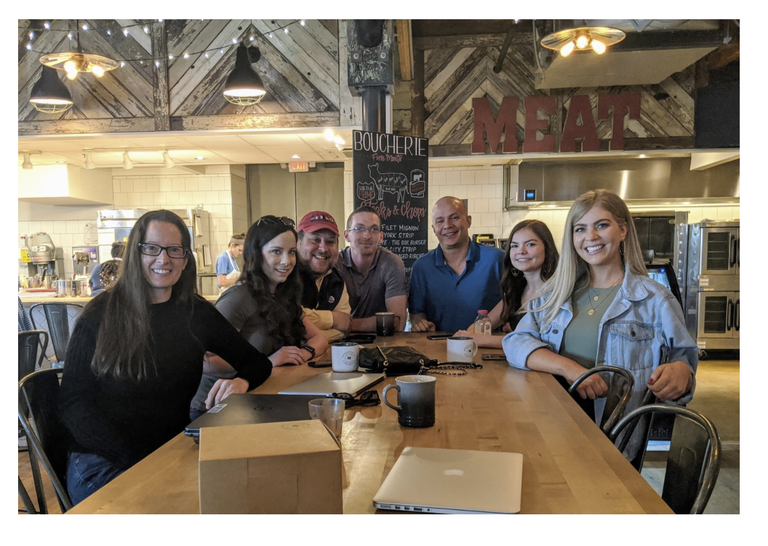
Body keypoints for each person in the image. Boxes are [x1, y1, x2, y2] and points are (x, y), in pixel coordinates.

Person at [58, 210, 273, 505]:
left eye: (175, 250)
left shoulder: (196, 313)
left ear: (186, 259)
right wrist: (139, 458)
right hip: (101, 461)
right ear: (136, 253)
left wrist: (242, 382)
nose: (164, 259)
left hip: (170, 450)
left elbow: (257, 363)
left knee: (242, 496)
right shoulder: (100, 314)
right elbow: (73, 405)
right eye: (152, 248)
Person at [503, 189, 697, 458]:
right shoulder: (557, 294)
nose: (590, 237)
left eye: (601, 225)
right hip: (548, 432)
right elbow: (515, 342)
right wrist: (570, 369)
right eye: (580, 229)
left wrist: (681, 374)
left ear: (623, 230)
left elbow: (684, 363)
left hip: (614, 446)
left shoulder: (655, 300)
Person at [189, 215, 330, 420]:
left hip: (257, 397)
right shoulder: (238, 297)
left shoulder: (283, 294)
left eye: (291, 252)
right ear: (256, 254)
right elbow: (208, 360)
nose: (286, 261)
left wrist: (304, 353)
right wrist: (268, 362)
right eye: (276, 251)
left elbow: (320, 339)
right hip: (215, 407)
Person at [455, 220, 559, 348]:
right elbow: (484, 324)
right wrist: (464, 335)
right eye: (514, 246)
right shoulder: (516, 289)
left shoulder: (556, 291)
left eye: (530, 244)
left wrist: (479, 339)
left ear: (547, 249)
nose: (521, 251)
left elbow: (538, 343)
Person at [409, 196, 504, 333]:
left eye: (454, 218)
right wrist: (422, 325)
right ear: (433, 228)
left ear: (468, 221)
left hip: (488, 348)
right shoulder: (421, 267)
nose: (447, 225)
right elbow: (417, 314)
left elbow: (512, 301)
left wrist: (477, 330)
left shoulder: (496, 259)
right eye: (440, 221)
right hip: (438, 348)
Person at [335, 206, 408, 332]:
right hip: (341, 340)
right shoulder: (335, 263)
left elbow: (397, 322)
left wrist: (345, 324)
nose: (367, 235)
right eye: (359, 228)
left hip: (383, 341)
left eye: (374, 229)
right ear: (347, 235)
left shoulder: (392, 263)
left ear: (380, 237)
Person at [296, 210, 351, 342]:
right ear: (297, 243)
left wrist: (309, 338)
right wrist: (335, 319)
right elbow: (289, 319)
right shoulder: (285, 275)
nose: (323, 248)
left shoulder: (336, 279)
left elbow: (345, 327)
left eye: (330, 242)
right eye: (315, 239)